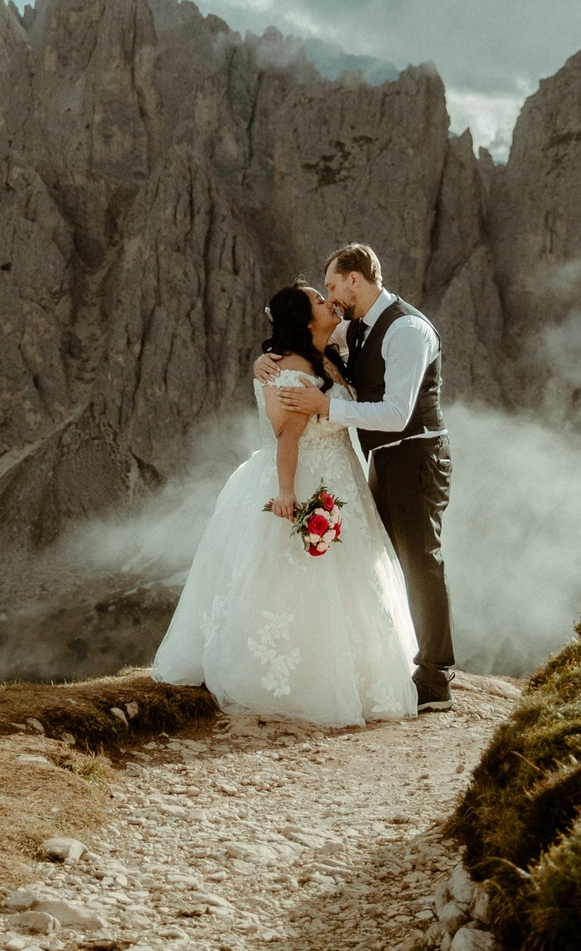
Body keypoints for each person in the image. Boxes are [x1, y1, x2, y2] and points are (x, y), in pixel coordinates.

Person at [149, 283, 419, 725]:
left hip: (341, 476)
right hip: (307, 478)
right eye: (317, 299)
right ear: (304, 319)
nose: (327, 301)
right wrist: (289, 492)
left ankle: (350, 667)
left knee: (344, 580)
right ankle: (298, 678)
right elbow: (288, 436)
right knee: (298, 579)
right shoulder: (290, 371)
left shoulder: (328, 351)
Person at [264, 243, 454, 710]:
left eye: (332, 285)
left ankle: (436, 677)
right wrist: (264, 360)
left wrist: (326, 407)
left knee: (420, 559)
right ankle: (383, 663)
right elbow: (304, 342)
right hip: (385, 461)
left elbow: (395, 413)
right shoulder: (357, 327)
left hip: (415, 454)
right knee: (382, 557)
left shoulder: (407, 329)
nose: (330, 296)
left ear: (355, 279)